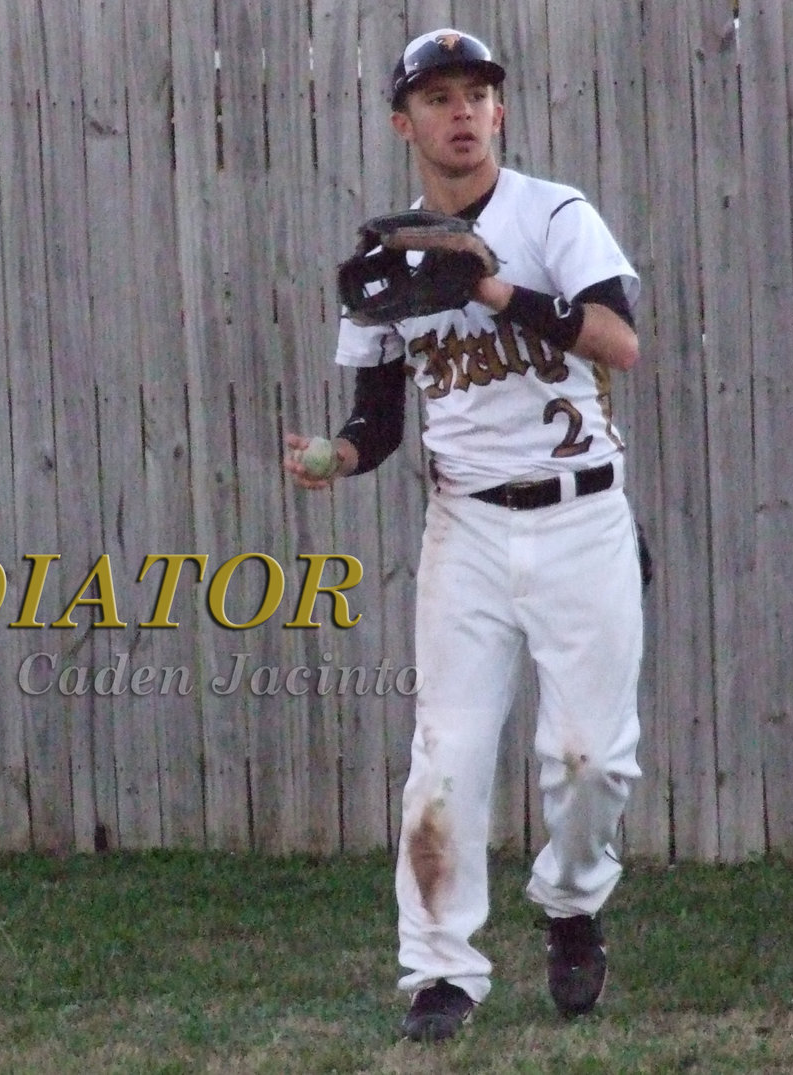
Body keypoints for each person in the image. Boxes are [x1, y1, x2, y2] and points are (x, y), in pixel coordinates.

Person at [284, 28, 645, 1041]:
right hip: (469, 529)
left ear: (499, 112)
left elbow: (622, 341)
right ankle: (442, 971)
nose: (459, 112)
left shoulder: (553, 215)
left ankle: (572, 903)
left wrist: (486, 285)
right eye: (437, 96)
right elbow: (381, 420)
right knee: (445, 756)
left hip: (583, 515)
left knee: (591, 759)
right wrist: (336, 457)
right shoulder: (381, 257)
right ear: (405, 123)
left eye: (476, 94)